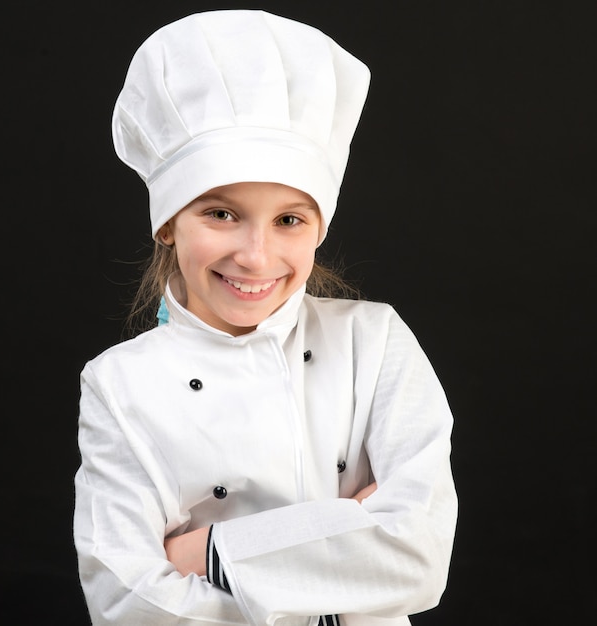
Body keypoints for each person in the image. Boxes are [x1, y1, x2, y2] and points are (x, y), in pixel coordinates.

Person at [73, 9, 458, 626]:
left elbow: (418, 553)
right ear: (168, 222)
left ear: (317, 230)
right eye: (221, 213)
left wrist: (208, 552)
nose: (255, 257)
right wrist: (348, 526)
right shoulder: (118, 385)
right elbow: (126, 602)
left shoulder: (375, 340)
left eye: (288, 220)